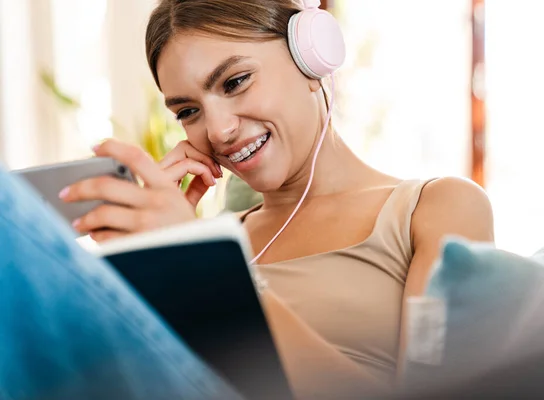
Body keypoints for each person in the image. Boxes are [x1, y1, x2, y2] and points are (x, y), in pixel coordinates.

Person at [4, 0, 494, 398]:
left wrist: (211, 269)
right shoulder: (209, 234)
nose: (218, 131)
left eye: (235, 82)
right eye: (189, 110)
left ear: (311, 60)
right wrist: (160, 259)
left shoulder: (436, 207)